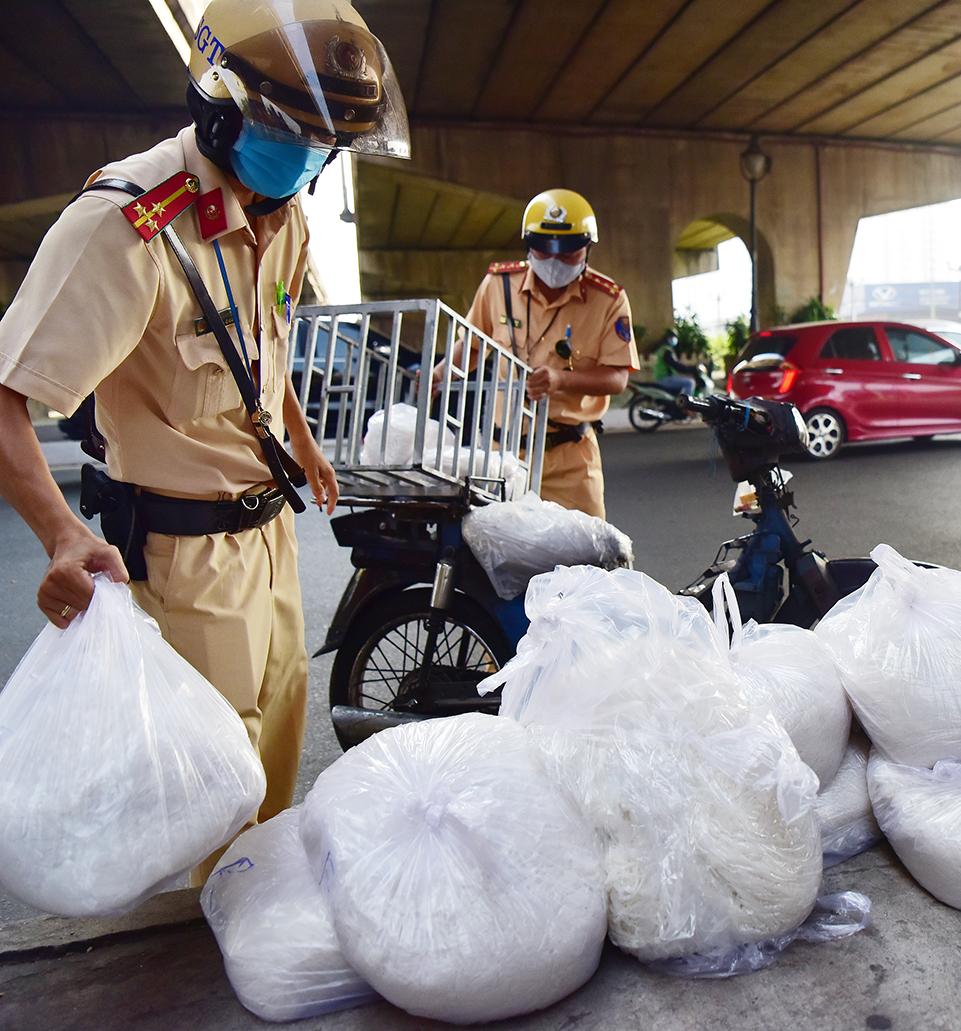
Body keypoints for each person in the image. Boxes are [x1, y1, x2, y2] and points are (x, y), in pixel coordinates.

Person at [0, 0, 408, 882]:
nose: (309, 159)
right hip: (180, 560)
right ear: (218, 107)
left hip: (269, 541)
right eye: (294, 133)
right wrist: (63, 534)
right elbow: (6, 396)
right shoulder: (125, 227)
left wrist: (299, 435)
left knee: (270, 775)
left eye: (327, 143)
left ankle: (251, 934)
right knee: (201, 808)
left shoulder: (284, 208)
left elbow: (264, 340)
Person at [465, 189, 639, 519]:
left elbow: (617, 378)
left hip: (571, 460)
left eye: (568, 253)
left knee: (589, 562)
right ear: (528, 243)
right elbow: (472, 347)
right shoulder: (498, 285)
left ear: (587, 247)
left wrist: (561, 379)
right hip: (505, 456)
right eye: (543, 251)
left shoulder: (608, 300)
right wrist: (437, 374)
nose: (554, 261)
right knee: (499, 560)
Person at [651, 330, 700, 397]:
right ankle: (686, 405)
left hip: (660, 377)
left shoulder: (661, 349)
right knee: (690, 383)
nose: (673, 339)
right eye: (671, 337)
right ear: (666, 338)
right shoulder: (667, 351)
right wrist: (692, 369)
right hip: (664, 378)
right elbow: (676, 365)